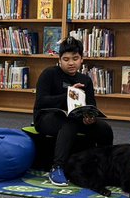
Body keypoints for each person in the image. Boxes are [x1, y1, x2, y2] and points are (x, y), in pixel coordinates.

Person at [33, 37, 113, 186]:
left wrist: (90, 117)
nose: (71, 63)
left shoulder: (85, 80)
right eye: (66, 59)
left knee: (104, 128)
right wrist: (68, 94)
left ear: (81, 59)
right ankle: (57, 167)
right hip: (46, 117)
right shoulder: (49, 74)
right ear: (59, 60)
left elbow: (91, 105)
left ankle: (104, 165)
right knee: (69, 124)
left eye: (75, 58)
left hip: (77, 118)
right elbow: (41, 101)